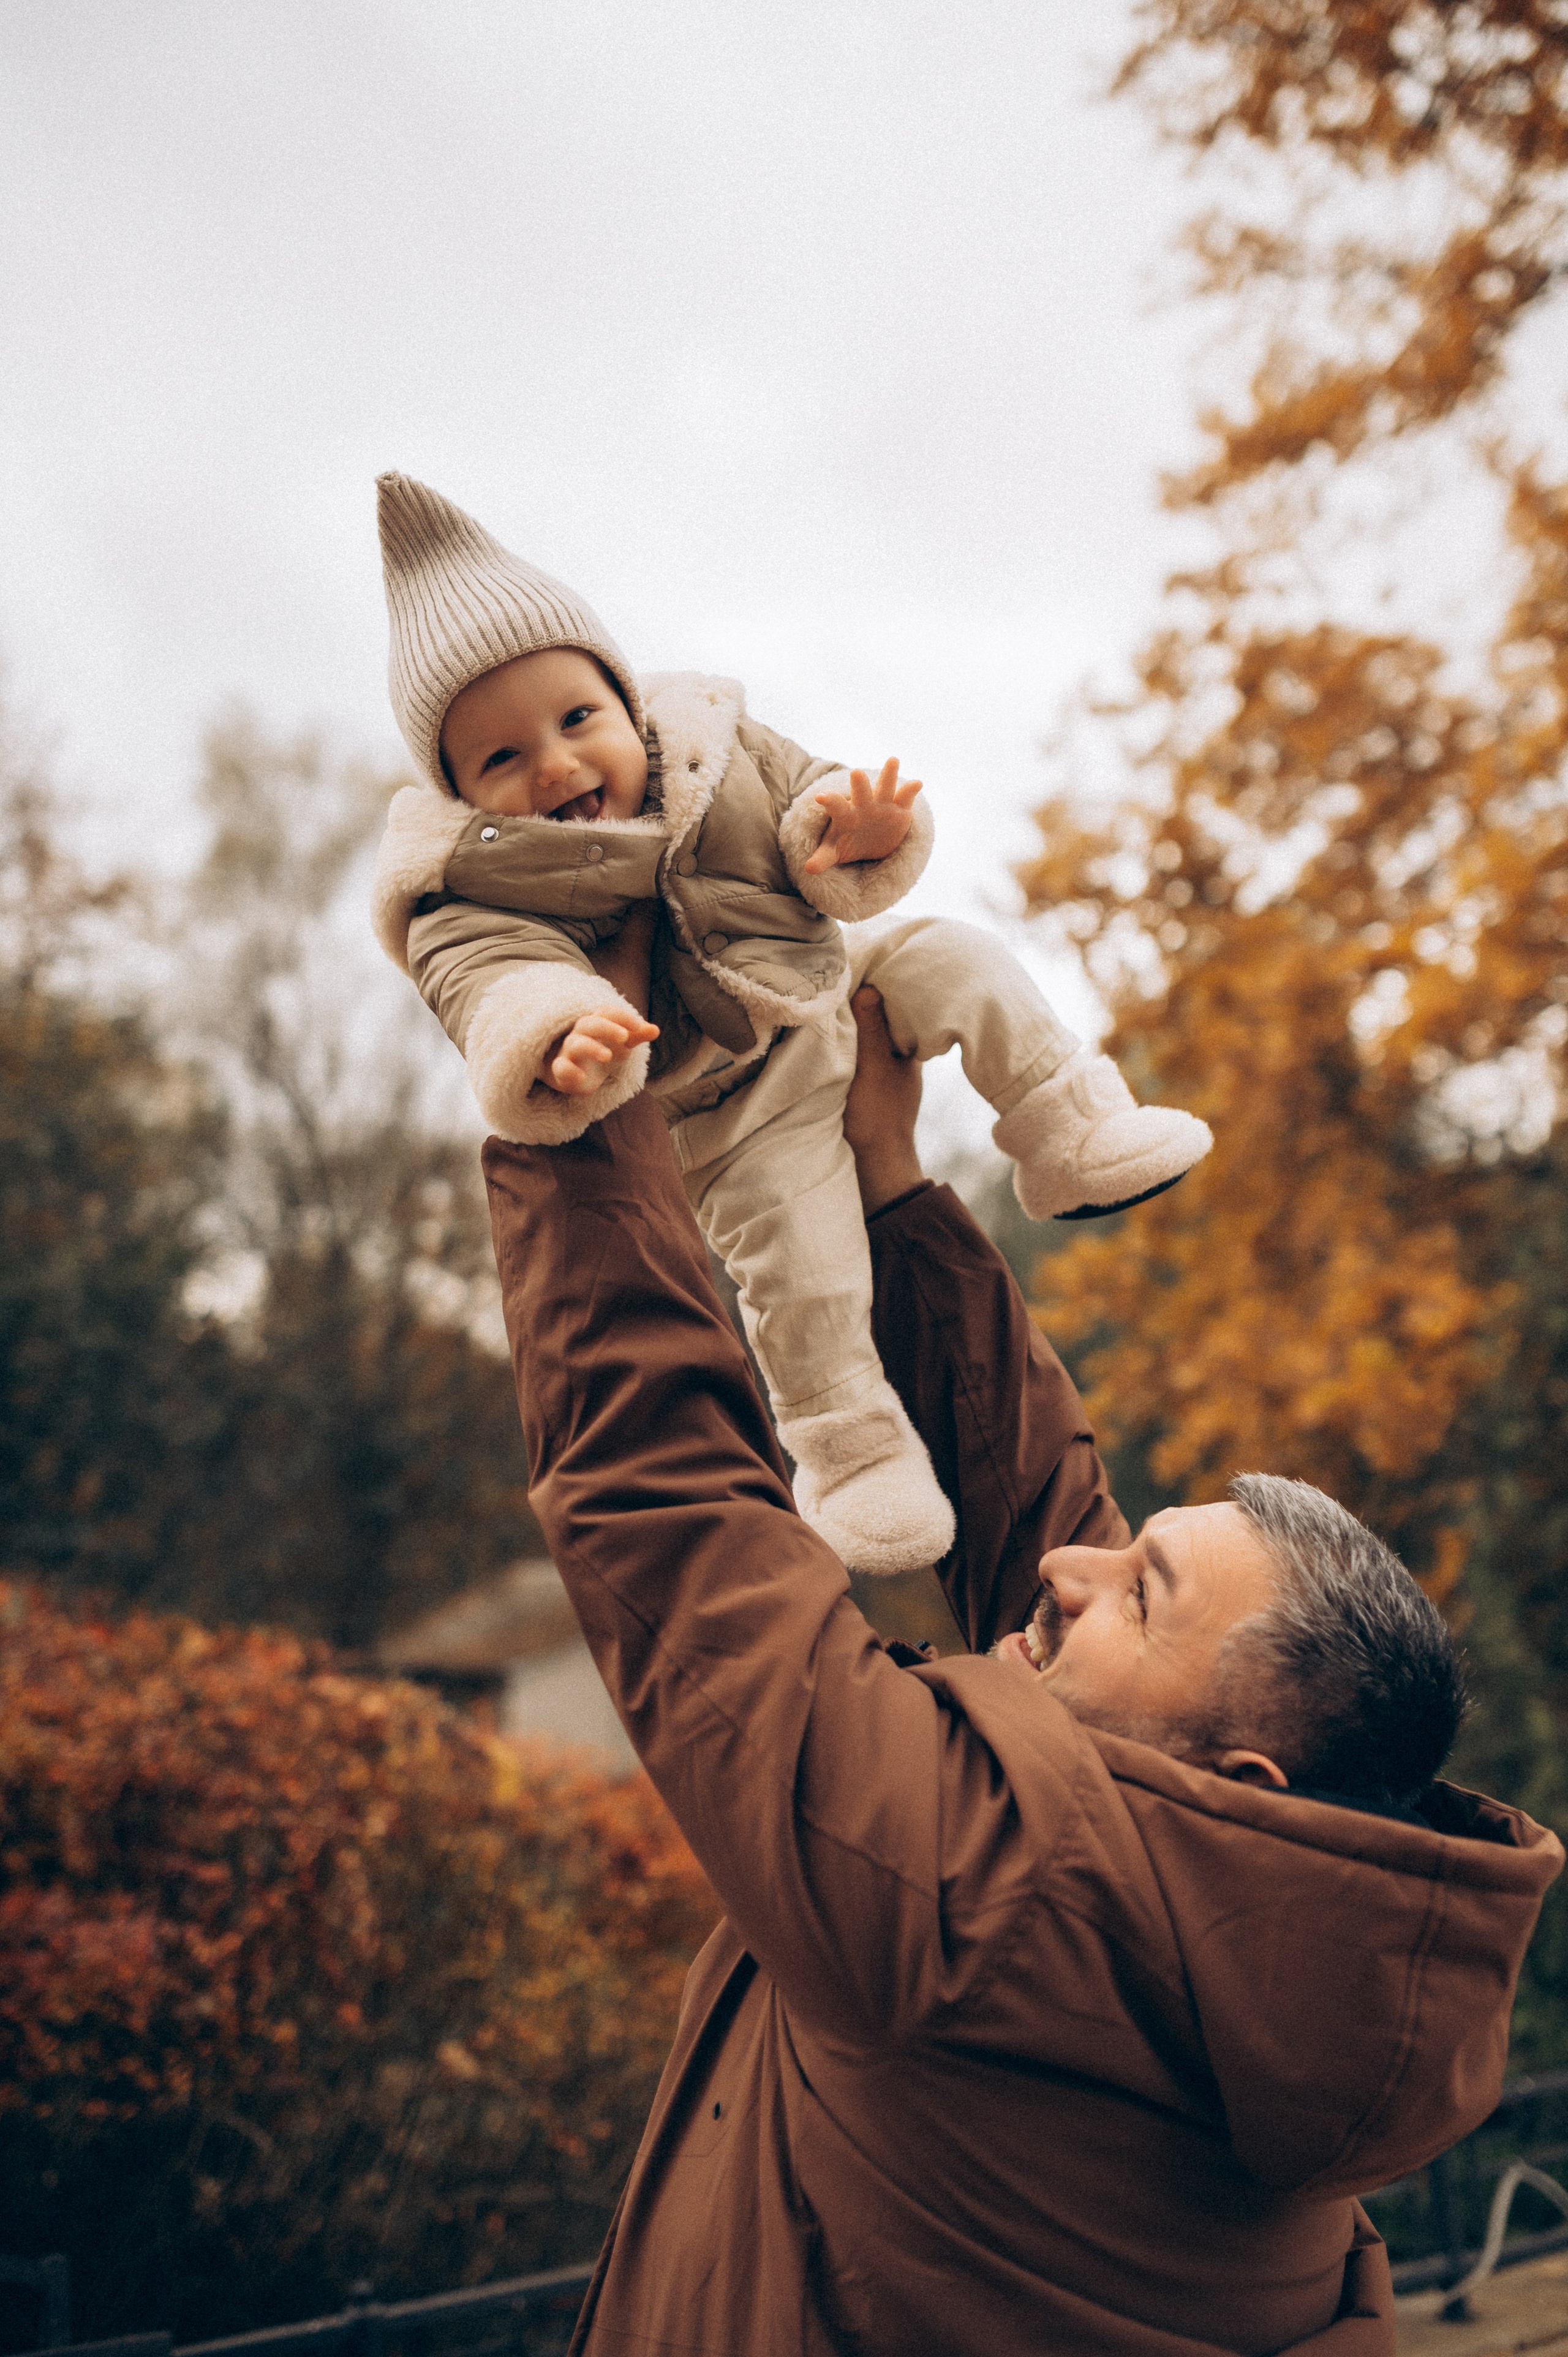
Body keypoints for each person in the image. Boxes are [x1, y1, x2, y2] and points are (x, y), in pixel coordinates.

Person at [481, 983, 1562, 2357]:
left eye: (1142, 1594)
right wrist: (886, 1184)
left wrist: (577, 1128)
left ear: (1240, 1782)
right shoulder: (1305, 1961)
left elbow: (675, 1514)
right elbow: (1047, 1513)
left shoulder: (969, 1911)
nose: (1069, 1565)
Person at [370, 470, 1210, 1573]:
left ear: (626, 700)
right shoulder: (472, 891)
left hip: (830, 983)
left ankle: (1070, 1129)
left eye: (577, 719)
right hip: (729, 1104)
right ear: (459, 795)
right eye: (503, 758)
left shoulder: (710, 750)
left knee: (960, 957)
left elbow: (804, 794)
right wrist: (560, 1028)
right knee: (801, 1267)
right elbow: (488, 982)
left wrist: (850, 829)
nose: (558, 765)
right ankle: (853, 1452)